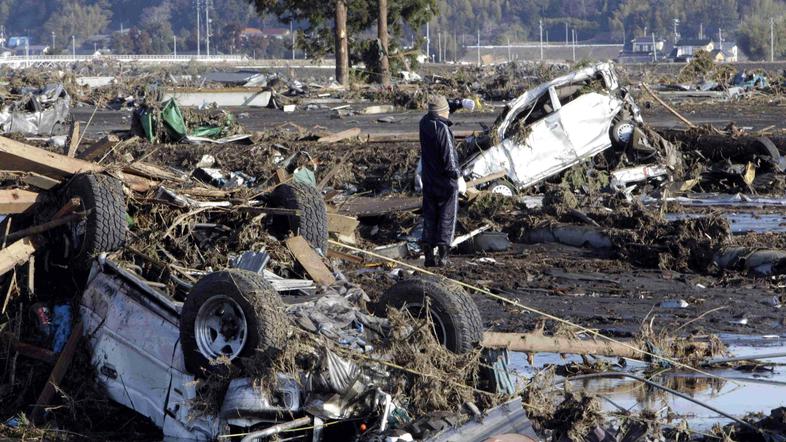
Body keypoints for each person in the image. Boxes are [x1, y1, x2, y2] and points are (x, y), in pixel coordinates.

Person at [418, 95, 474, 267]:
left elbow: (441, 107)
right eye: (448, 111)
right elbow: (449, 157)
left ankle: (428, 256)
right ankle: (443, 257)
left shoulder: (424, 122)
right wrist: (458, 177)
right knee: (447, 216)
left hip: (428, 178)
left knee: (430, 216)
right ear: (443, 113)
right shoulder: (443, 129)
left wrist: (460, 103)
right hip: (445, 181)